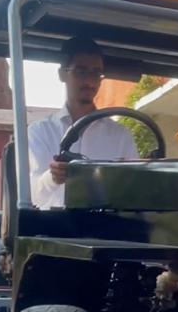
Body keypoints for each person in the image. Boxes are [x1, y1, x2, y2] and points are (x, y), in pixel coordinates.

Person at [26, 37, 138, 209]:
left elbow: (133, 191)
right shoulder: (39, 132)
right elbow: (29, 195)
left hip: (108, 230)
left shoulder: (121, 136)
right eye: (81, 71)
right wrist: (52, 178)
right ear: (62, 74)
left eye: (96, 73)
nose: (90, 81)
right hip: (54, 230)